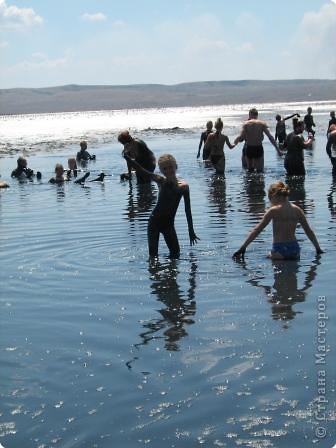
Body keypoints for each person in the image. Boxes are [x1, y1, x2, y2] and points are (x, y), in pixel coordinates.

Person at [123, 152, 199, 258]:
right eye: (164, 169)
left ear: (176, 166)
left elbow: (188, 210)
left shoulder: (184, 187)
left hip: (168, 225)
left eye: (170, 167)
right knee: (153, 256)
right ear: (161, 171)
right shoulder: (161, 181)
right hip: (154, 222)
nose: (168, 171)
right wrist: (128, 159)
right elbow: (142, 171)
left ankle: (171, 273)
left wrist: (191, 231)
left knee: (175, 254)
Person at [233, 181, 323, 260]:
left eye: (270, 199)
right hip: (295, 250)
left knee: (270, 263)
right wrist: (318, 249)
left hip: (279, 250)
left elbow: (257, 230)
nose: (270, 202)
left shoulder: (273, 210)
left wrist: (243, 247)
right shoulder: (297, 210)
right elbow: (309, 231)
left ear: (274, 196)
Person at [234, 108, 281, 172]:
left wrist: (235, 142)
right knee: (260, 171)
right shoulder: (262, 123)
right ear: (257, 115)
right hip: (258, 148)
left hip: (249, 148)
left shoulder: (246, 124)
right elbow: (270, 137)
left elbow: (241, 137)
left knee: (250, 171)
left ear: (250, 115)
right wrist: (278, 150)